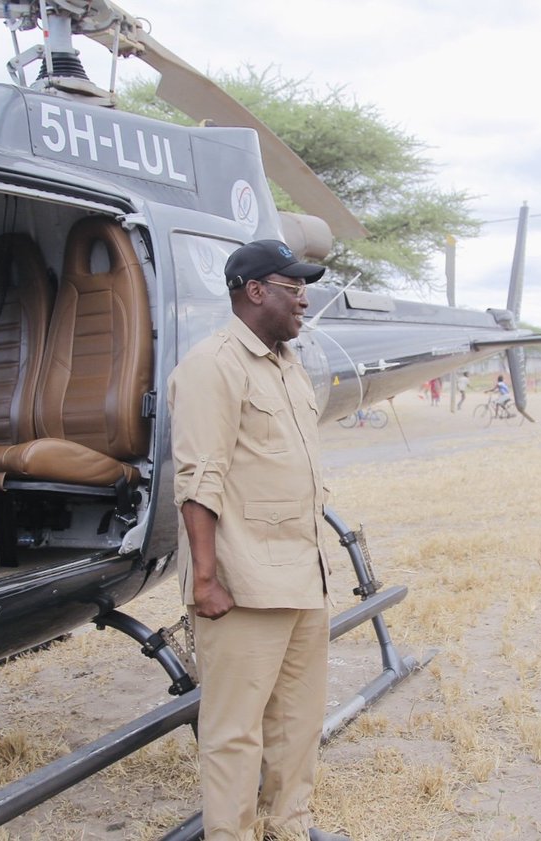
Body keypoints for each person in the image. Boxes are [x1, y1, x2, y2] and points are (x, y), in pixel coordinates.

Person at [167, 239, 349, 841]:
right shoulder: (209, 365)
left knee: (297, 720)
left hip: (303, 574)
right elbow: (199, 480)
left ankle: (292, 824)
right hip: (242, 582)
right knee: (234, 730)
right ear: (254, 291)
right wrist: (206, 579)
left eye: (305, 287)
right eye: (293, 287)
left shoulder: (287, 364)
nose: (304, 299)